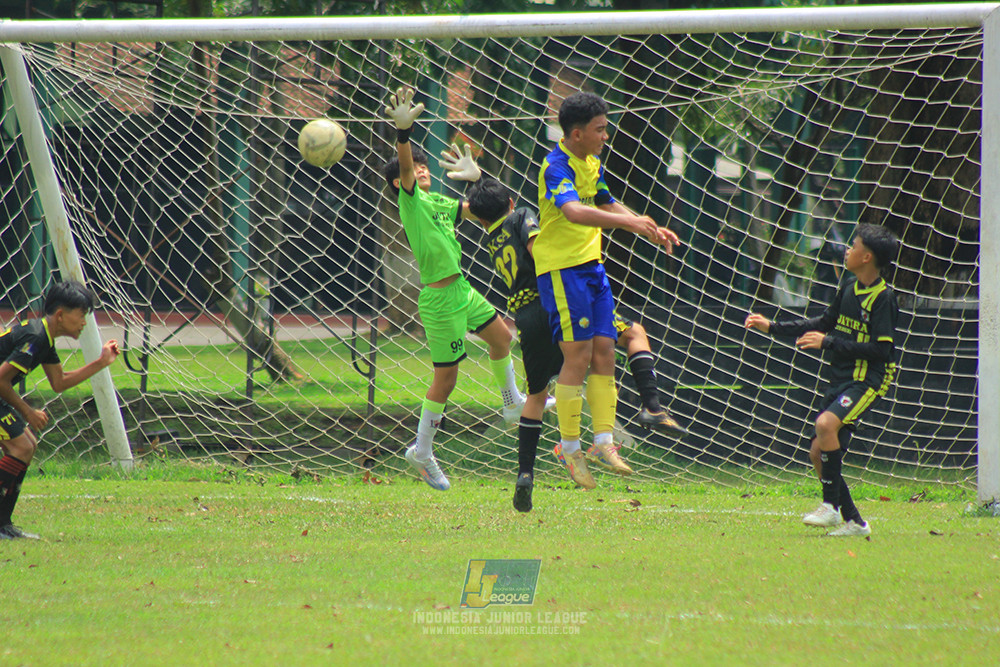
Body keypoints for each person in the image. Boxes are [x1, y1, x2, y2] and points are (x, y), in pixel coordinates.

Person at [465, 177, 686, 511]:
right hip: (555, 300)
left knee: (537, 395)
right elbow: (538, 248)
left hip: (524, 317)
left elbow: (485, 208)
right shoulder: (522, 214)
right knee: (632, 335)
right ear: (511, 203)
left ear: (481, 218)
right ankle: (648, 408)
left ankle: (525, 474)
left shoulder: (491, 235)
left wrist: (477, 180)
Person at [382, 86, 525, 492]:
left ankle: (512, 403)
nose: (422, 171)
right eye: (414, 170)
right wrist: (404, 134)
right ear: (398, 184)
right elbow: (406, 169)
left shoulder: (441, 203)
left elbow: (486, 208)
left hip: (462, 289)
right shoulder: (410, 201)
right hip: (439, 299)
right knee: (446, 381)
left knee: (503, 338)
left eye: (426, 167)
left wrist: (481, 179)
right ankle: (421, 450)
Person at [535, 91, 680, 489]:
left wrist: (645, 224)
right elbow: (574, 212)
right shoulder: (555, 165)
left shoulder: (591, 160)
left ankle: (602, 441)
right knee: (578, 356)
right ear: (577, 133)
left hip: (592, 269)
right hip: (562, 272)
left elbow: (603, 200)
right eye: (600, 129)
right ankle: (568, 445)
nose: (606, 135)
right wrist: (630, 225)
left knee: (605, 350)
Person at [744, 224, 900, 537]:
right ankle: (855, 523)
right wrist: (772, 326)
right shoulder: (848, 289)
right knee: (818, 453)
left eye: (852, 246)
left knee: (826, 425)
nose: (847, 250)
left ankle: (829, 506)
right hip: (841, 378)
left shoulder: (883, 298)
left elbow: (882, 351)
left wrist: (828, 343)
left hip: (869, 380)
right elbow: (824, 322)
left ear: (866, 256)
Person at [0, 281, 121, 539]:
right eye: (81, 315)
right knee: (21, 446)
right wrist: (27, 412)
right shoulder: (35, 337)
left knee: (27, 445)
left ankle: (3, 524)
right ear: (61, 315)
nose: (84, 322)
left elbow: (59, 382)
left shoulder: (45, 338)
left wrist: (101, 362)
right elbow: (0, 380)